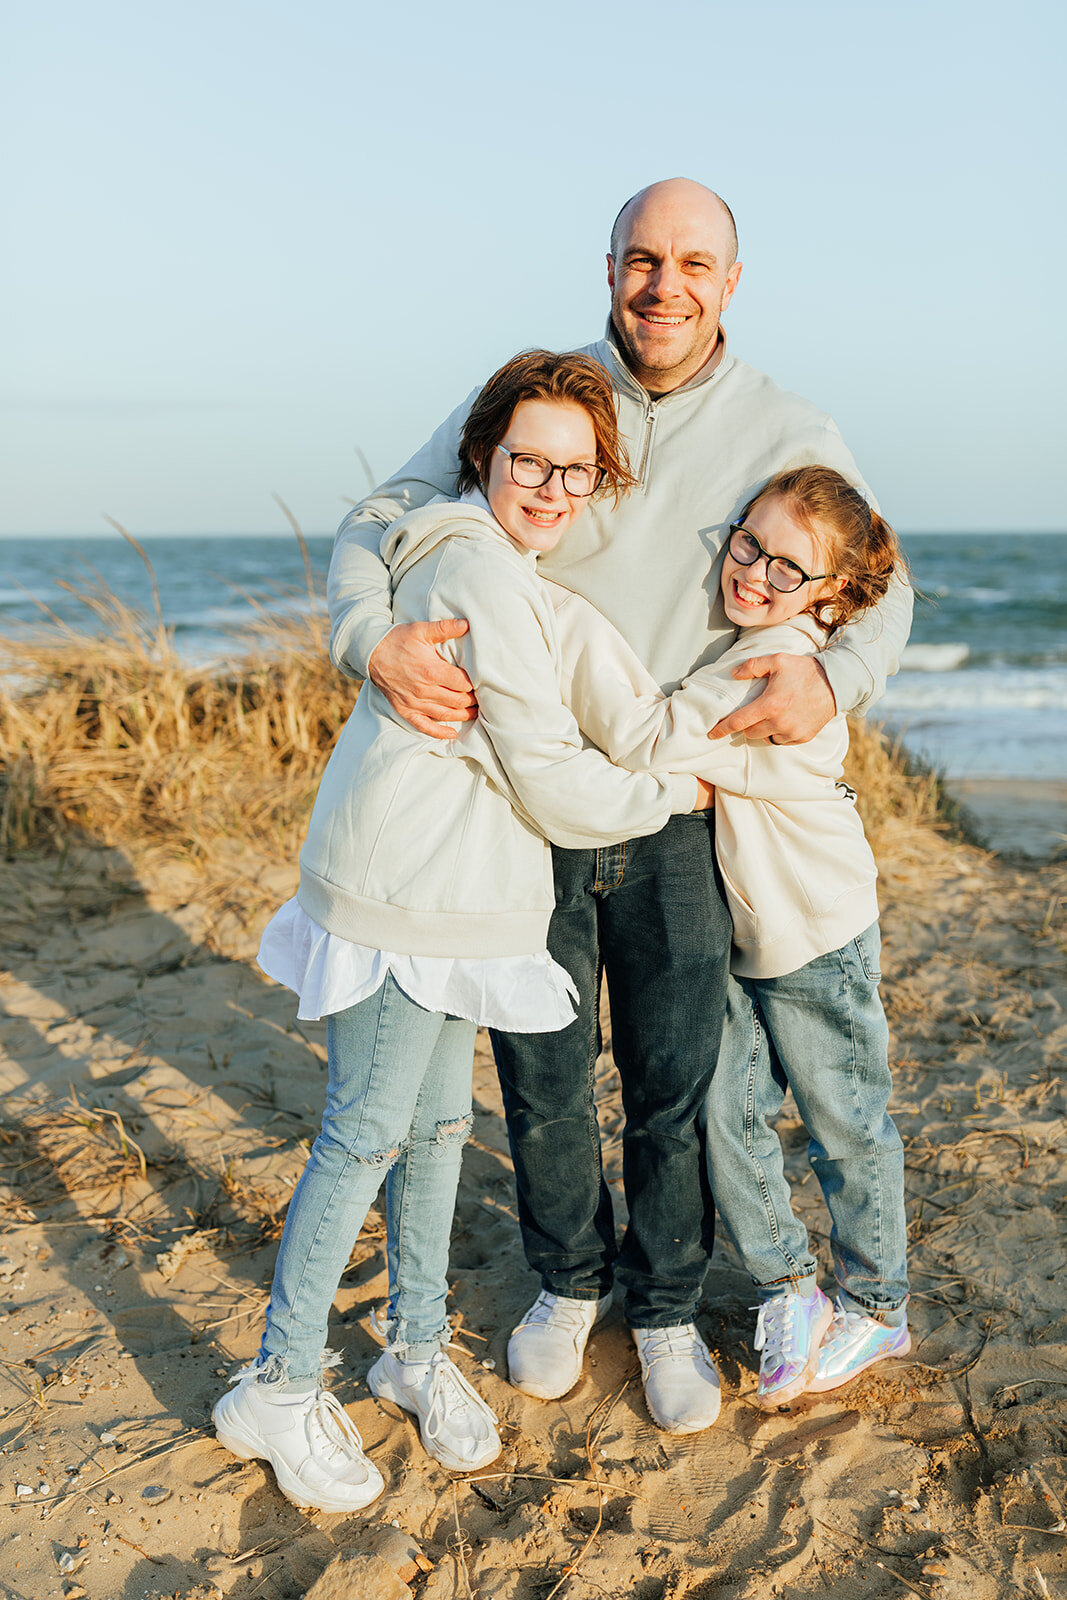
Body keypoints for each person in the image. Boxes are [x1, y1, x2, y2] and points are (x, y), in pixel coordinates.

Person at [325, 178, 913, 1433]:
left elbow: (881, 576)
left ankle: (659, 1310)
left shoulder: (783, 422)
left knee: (673, 1079)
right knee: (538, 1073)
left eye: (693, 263)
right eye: (642, 259)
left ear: (729, 282)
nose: (665, 285)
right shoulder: (552, 402)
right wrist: (368, 636)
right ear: (607, 269)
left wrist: (833, 670)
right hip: (522, 809)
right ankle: (565, 1280)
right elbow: (384, 515)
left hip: (676, 802)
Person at [212, 350, 705, 1514]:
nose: (546, 486)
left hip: (462, 896)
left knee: (437, 1127)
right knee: (366, 1130)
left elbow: (571, 683)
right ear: (480, 453)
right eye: (526, 460)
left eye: (572, 472)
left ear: (595, 484)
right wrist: (668, 797)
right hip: (405, 895)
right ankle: (277, 1385)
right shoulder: (472, 566)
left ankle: (414, 1348)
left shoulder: (512, 574)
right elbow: (540, 765)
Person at [545, 465, 911, 1407]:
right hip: (754, 937)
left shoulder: (770, 661)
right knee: (723, 1115)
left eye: (788, 566)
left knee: (843, 1124)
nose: (752, 572)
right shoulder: (763, 636)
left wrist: (560, 615)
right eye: (746, 543)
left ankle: (875, 1302)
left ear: (830, 598)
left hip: (819, 933)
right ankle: (789, 1288)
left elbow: (647, 736)